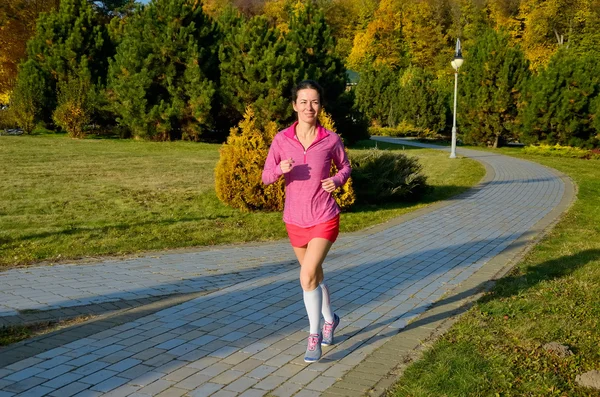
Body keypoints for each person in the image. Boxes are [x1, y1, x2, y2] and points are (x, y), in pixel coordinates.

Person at [262, 80, 352, 362]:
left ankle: (313, 335)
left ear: (320, 106)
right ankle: (330, 319)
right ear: (294, 106)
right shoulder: (281, 140)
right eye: (303, 102)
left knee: (306, 275)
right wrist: (279, 168)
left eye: (314, 102)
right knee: (314, 277)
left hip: (324, 215)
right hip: (294, 219)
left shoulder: (330, 139)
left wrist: (336, 180)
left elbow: (346, 166)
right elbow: (265, 177)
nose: (309, 107)